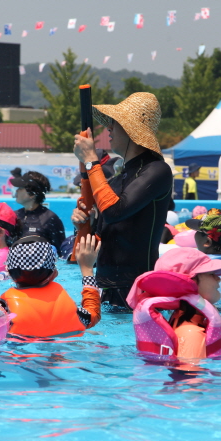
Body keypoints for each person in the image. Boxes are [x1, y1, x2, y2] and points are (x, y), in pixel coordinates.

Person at [72, 92, 173, 308]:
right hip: (106, 290)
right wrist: (85, 225)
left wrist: (91, 161)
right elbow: (103, 236)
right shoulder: (117, 180)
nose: (108, 128)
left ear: (130, 129)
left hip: (139, 292)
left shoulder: (157, 170)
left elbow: (115, 211)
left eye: (115, 122)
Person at [126, 248, 221, 360]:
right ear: (189, 282)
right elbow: (189, 372)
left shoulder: (187, 322)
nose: (218, 279)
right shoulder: (191, 333)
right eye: (211, 274)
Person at [0, 235, 101, 338]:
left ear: (8, 271)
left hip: (17, 347)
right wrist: (87, 269)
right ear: (53, 273)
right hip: (67, 346)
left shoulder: (3, 309)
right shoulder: (70, 310)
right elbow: (93, 314)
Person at [12, 171, 66, 251]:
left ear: (32, 194)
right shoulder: (14, 215)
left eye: (20, 188)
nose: (16, 191)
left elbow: (61, 251)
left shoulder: (49, 219)